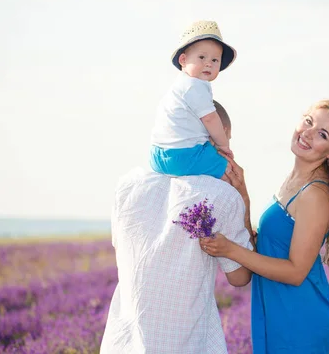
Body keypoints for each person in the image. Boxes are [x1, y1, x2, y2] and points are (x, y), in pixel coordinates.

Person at [201, 99, 329, 353]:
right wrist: (243, 197)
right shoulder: (293, 180)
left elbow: (295, 272)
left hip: (299, 317)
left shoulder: (315, 195)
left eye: (322, 134)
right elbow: (266, 250)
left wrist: (230, 250)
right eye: (309, 121)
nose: (308, 133)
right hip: (278, 307)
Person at [100, 102, 254, 354]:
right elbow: (239, 277)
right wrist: (243, 199)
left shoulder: (127, 186)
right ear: (220, 132)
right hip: (187, 341)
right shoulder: (221, 195)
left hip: (125, 341)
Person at [149, 20, 236, 179]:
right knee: (227, 169)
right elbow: (210, 119)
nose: (208, 64)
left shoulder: (178, 86)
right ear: (183, 60)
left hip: (157, 155)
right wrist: (223, 145)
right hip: (183, 155)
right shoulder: (195, 85)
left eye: (215, 60)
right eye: (202, 57)